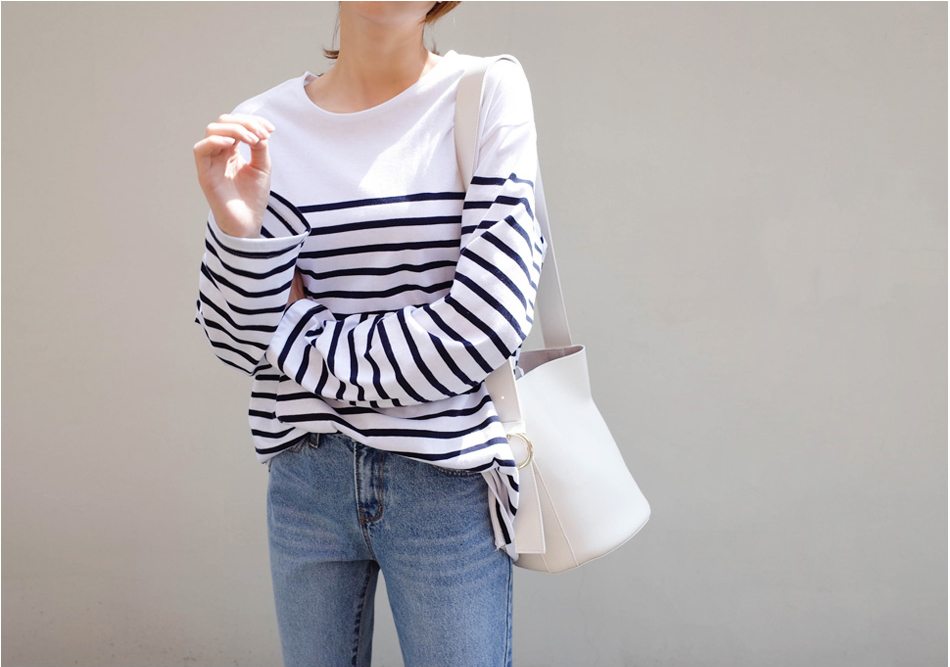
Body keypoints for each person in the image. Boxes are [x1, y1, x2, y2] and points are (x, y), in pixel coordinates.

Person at [192, 2, 546, 665]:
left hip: (444, 480)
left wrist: (294, 324)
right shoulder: (263, 126)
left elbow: (481, 329)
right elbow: (234, 338)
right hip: (305, 475)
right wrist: (240, 234)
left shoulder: (484, 93)